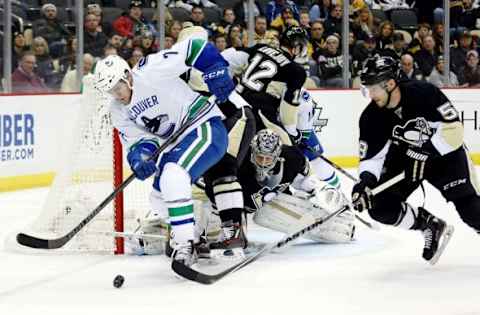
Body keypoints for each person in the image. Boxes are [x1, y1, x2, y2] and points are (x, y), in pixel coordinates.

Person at [93, 35, 234, 271]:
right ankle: (196, 234)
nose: (116, 94)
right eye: (110, 91)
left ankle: (184, 244)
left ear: (127, 76)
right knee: (158, 198)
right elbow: (140, 142)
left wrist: (214, 68)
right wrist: (139, 158)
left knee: (173, 174)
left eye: (117, 87)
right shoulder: (118, 111)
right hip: (177, 143)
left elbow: (195, 46)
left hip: (203, 126)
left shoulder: (150, 70)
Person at [352, 55, 480, 264]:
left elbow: (454, 131)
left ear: (391, 83)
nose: (370, 94)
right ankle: (429, 225)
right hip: (407, 161)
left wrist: (425, 152)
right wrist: (365, 183)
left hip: (445, 156)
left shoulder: (424, 93)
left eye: (373, 88)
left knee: (472, 211)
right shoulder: (371, 116)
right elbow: (372, 158)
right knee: (379, 206)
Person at [206, 129, 355, 245]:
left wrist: (322, 192)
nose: (263, 163)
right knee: (216, 239)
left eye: (268, 158)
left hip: (270, 202)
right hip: (238, 209)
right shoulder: (239, 164)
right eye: (259, 157)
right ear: (252, 152)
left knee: (267, 212)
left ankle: (335, 227)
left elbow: (308, 183)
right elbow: (220, 192)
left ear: (278, 155)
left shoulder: (292, 159)